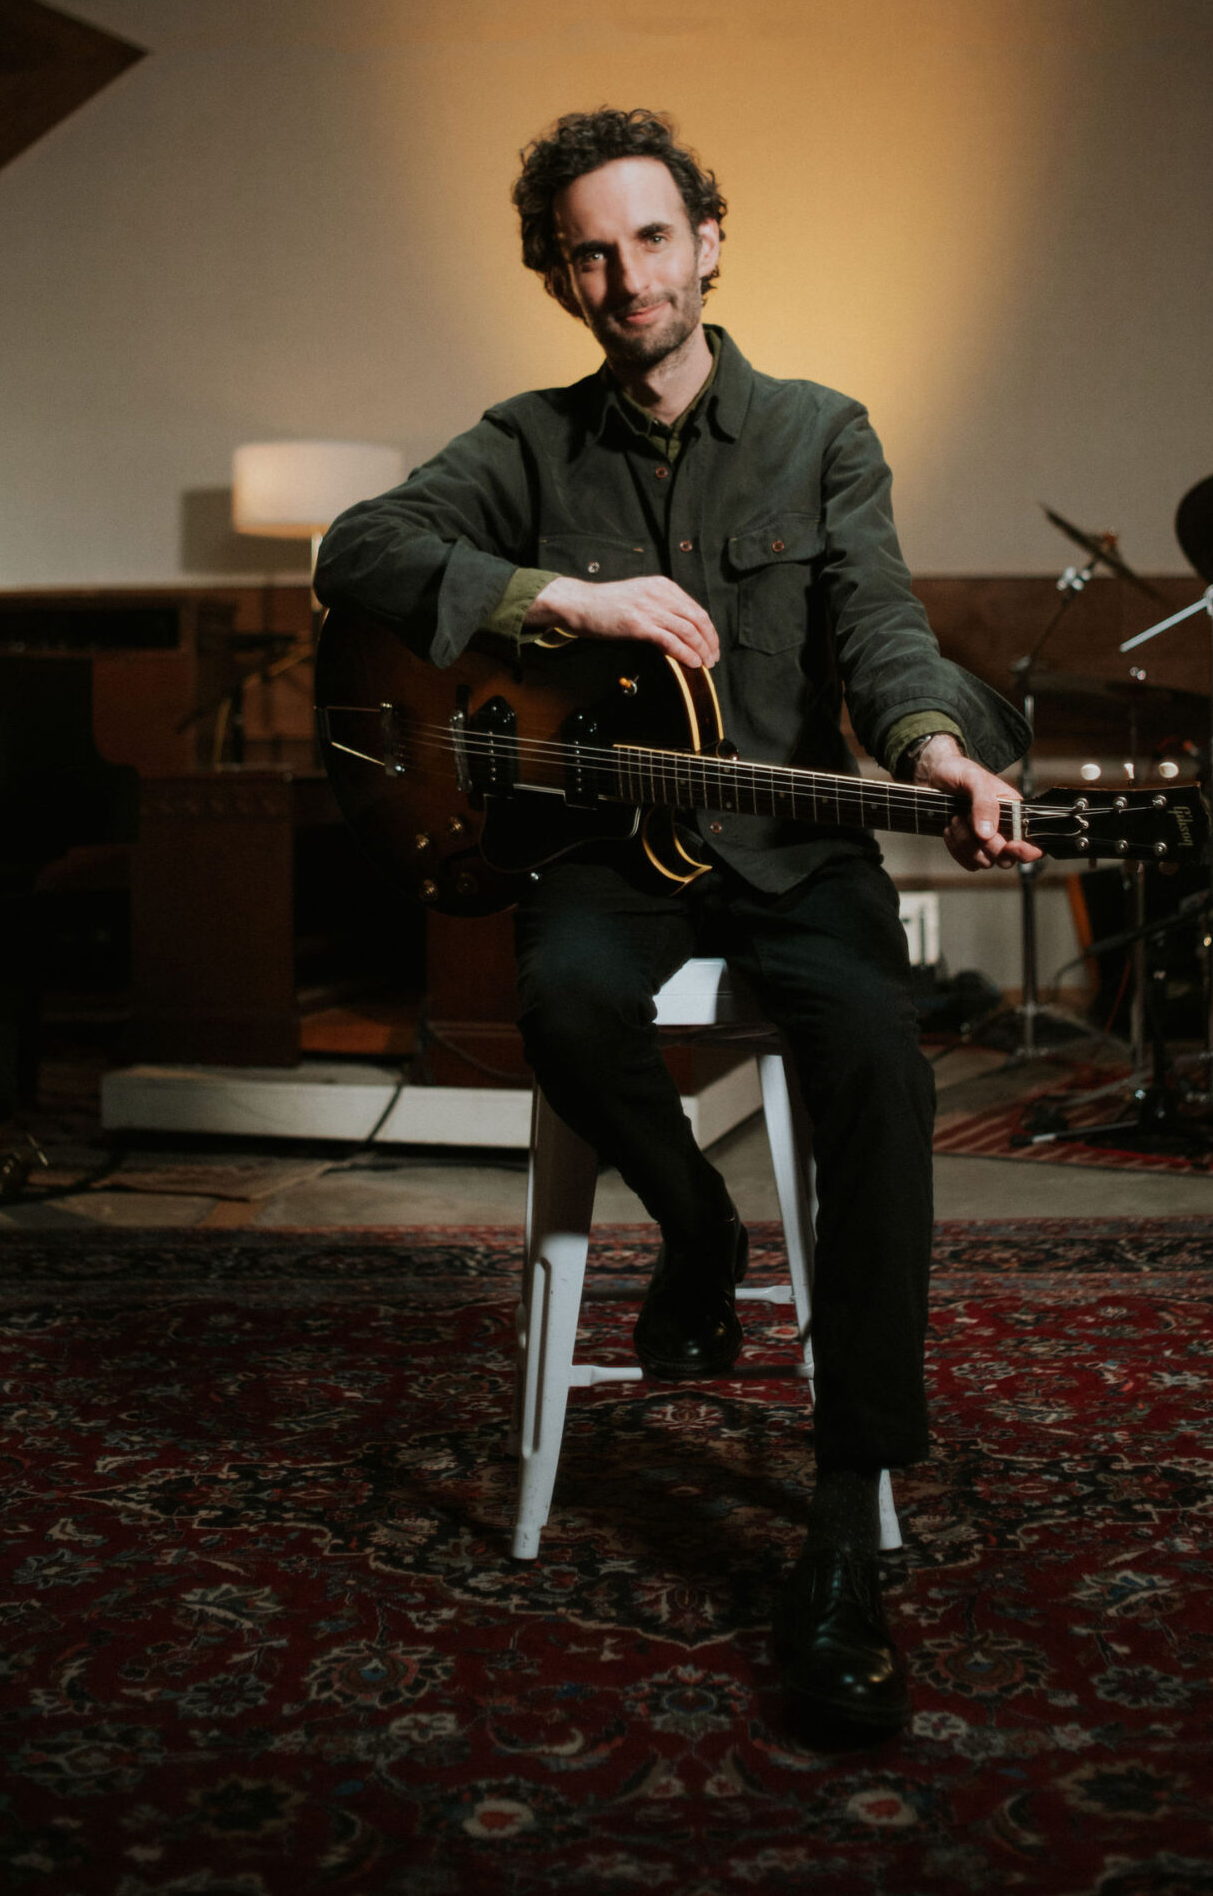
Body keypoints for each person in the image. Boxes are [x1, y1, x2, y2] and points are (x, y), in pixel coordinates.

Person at [315, 107, 1035, 1740]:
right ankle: (699, 1229)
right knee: (564, 1001)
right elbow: (358, 551)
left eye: (652, 238)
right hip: (605, 851)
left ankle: (842, 1528)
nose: (628, 275)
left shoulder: (822, 431)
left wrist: (937, 755)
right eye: (592, 253)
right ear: (559, 278)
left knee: (882, 1072)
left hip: (796, 846)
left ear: (708, 242)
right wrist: (556, 598)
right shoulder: (525, 443)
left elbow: (881, 629)